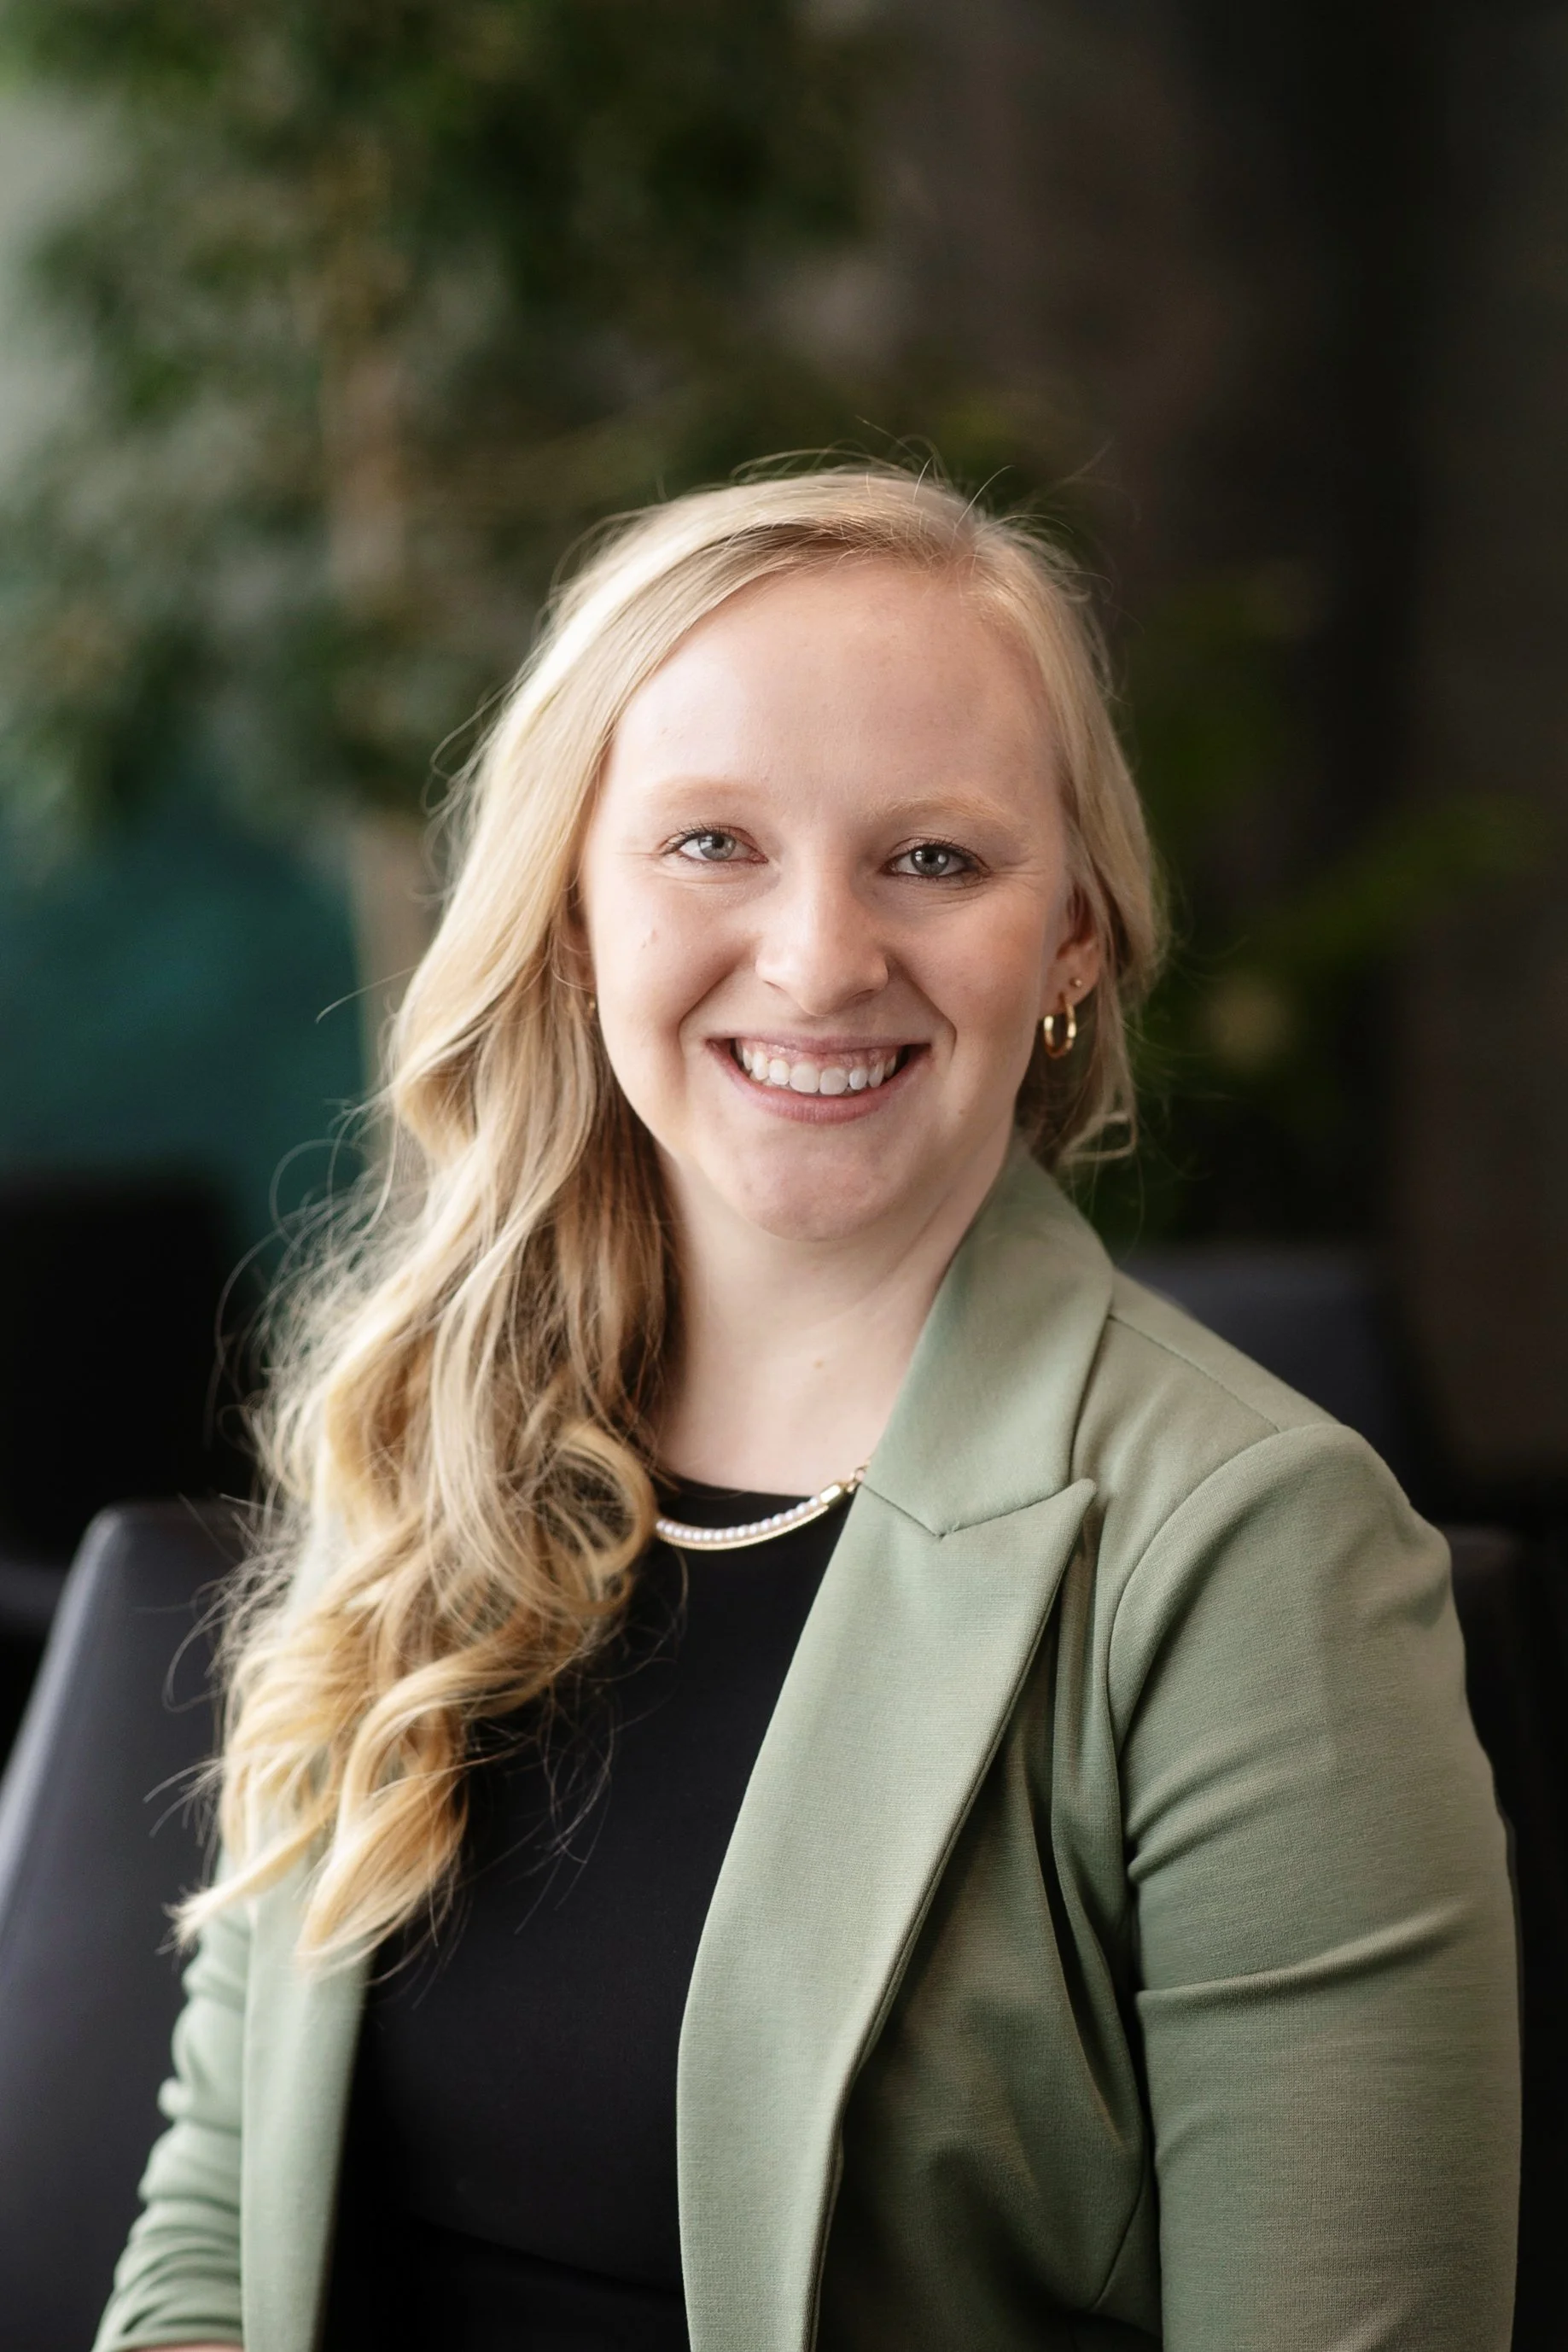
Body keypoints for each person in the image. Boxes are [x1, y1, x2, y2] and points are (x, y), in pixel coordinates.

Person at [96, 468, 1518, 2352]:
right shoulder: (430, 1437)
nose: (820, 958)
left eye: (935, 859)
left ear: (1074, 938)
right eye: (711, 845)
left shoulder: (1255, 1558)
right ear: (575, 909)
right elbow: (218, 2215)